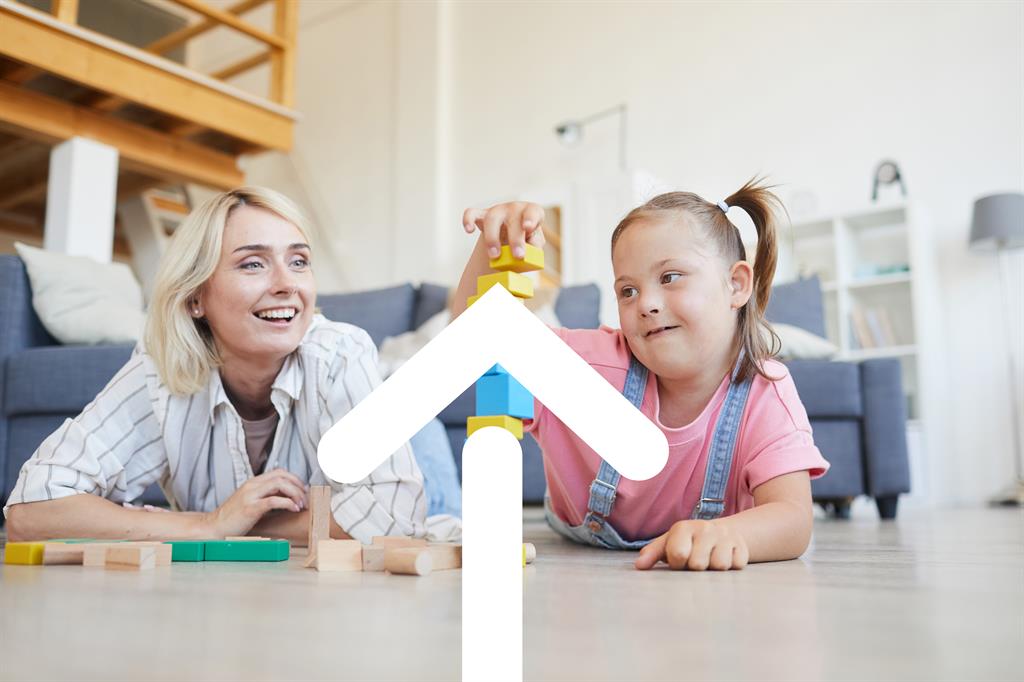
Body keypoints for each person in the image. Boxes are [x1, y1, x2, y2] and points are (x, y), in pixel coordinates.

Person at [4, 187, 460, 544]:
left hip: (426, 479)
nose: (286, 285)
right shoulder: (160, 370)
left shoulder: (341, 351)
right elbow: (30, 510)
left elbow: (396, 514)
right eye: (253, 264)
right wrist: (207, 526)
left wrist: (231, 525)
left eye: (298, 261)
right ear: (196, 296)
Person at [451, 178, 828, 570]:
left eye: (670, 277)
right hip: (578, 538)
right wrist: (490, 247)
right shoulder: (589, 368)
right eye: (628, 291)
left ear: (736, 284)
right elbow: (475, 344)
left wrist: (731, 535)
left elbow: (793, 518)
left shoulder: (766, 392)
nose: (646, 303)